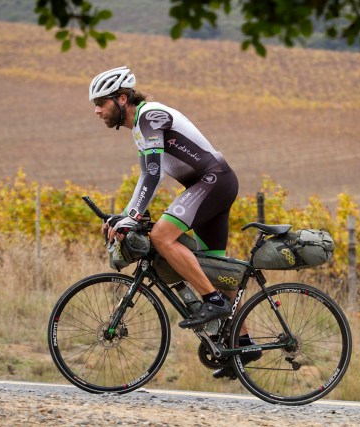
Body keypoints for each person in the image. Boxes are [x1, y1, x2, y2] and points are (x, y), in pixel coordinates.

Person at [89, 66, 259, 378]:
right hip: (213, 183)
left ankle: (212, 300)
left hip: (212, 181)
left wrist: (132, 218)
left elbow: (153, 174)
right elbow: (145, 177)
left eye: (101, 103)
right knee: (219, 271)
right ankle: (244, 344)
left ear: (122, 98)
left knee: (161, 237)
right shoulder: (140, 128)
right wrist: (126, 216)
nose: (97, 110)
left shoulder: (148, 116)